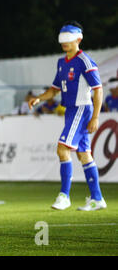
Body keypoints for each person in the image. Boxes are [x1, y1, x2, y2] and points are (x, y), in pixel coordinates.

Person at [29, 21, 106, 211]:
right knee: (84, 155)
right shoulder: (61, 62)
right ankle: (97, 198)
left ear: (78, 39)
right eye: (62, 37)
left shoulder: (85, 61)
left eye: (68, 38)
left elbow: (98, 90)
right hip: (70, 110)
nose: (64, 42)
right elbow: (54, 90)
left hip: (81, 109)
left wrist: (95, 117)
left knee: (62, 149)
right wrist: (39, 98)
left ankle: (64, 196)